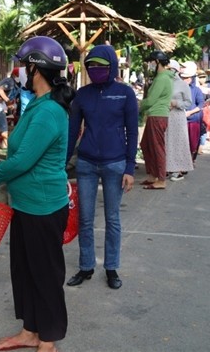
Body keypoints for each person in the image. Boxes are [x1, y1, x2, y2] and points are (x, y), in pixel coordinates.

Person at [0, 36, 75, 352]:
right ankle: (30, 331)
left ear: (36, 69)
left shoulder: (49, 111)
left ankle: (48, 339)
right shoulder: (38, 104)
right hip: (27, 205)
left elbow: (22, 161)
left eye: (24, 66)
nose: (20, 72)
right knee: (25, 271)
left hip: (44, 207)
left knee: (45, 275)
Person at [66, 45, 138, 290]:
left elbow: (132, 131)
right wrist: (62, 164)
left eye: (101, 66)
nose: (96, 70)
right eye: (91, 66)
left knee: (112, 219)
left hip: (115, 164)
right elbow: (72, 131)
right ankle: (86, 266)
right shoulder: (82, 95)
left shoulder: (125, 94)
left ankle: (111, 268)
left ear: (112, 66)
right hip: (86, 163)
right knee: (84, 219)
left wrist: (130, 168)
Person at [139, 51, 173, 190]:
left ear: (158, 62)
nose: (150, 64)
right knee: (146, 144)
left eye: (152, 62)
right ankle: (153, 175)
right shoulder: (162, 77)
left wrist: (139, 105)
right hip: (156, 115)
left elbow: (151, 100)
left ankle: (161, 179)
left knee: (157, 147)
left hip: (157, 116)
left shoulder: (162, 78)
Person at [165, 60, 194, 181]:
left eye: (171, 69)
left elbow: (188, 102)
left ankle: (178, 169)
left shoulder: (182, 84)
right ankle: (166, 167)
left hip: (177, 116)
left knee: (178, 142)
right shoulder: (163, 82)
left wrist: (176, 103)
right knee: (166, 141)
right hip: (165, 115)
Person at [180, 61, 204, 162]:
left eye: (187, 77)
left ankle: (191, 160)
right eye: (183, 78)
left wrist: (190, 112)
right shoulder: (179, 88)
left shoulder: (196, 90)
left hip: (193, 119)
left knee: (193, 142)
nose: (185, 79)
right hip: (181, 119)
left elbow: (201, 104)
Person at [0, 68, 22, 147]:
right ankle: (5, 144)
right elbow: (0, 90)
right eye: (19, 75)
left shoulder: (18, 84)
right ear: (14, 75)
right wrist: (7, 101)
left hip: (0, 104)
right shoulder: (10, 81)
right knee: (3, 125)